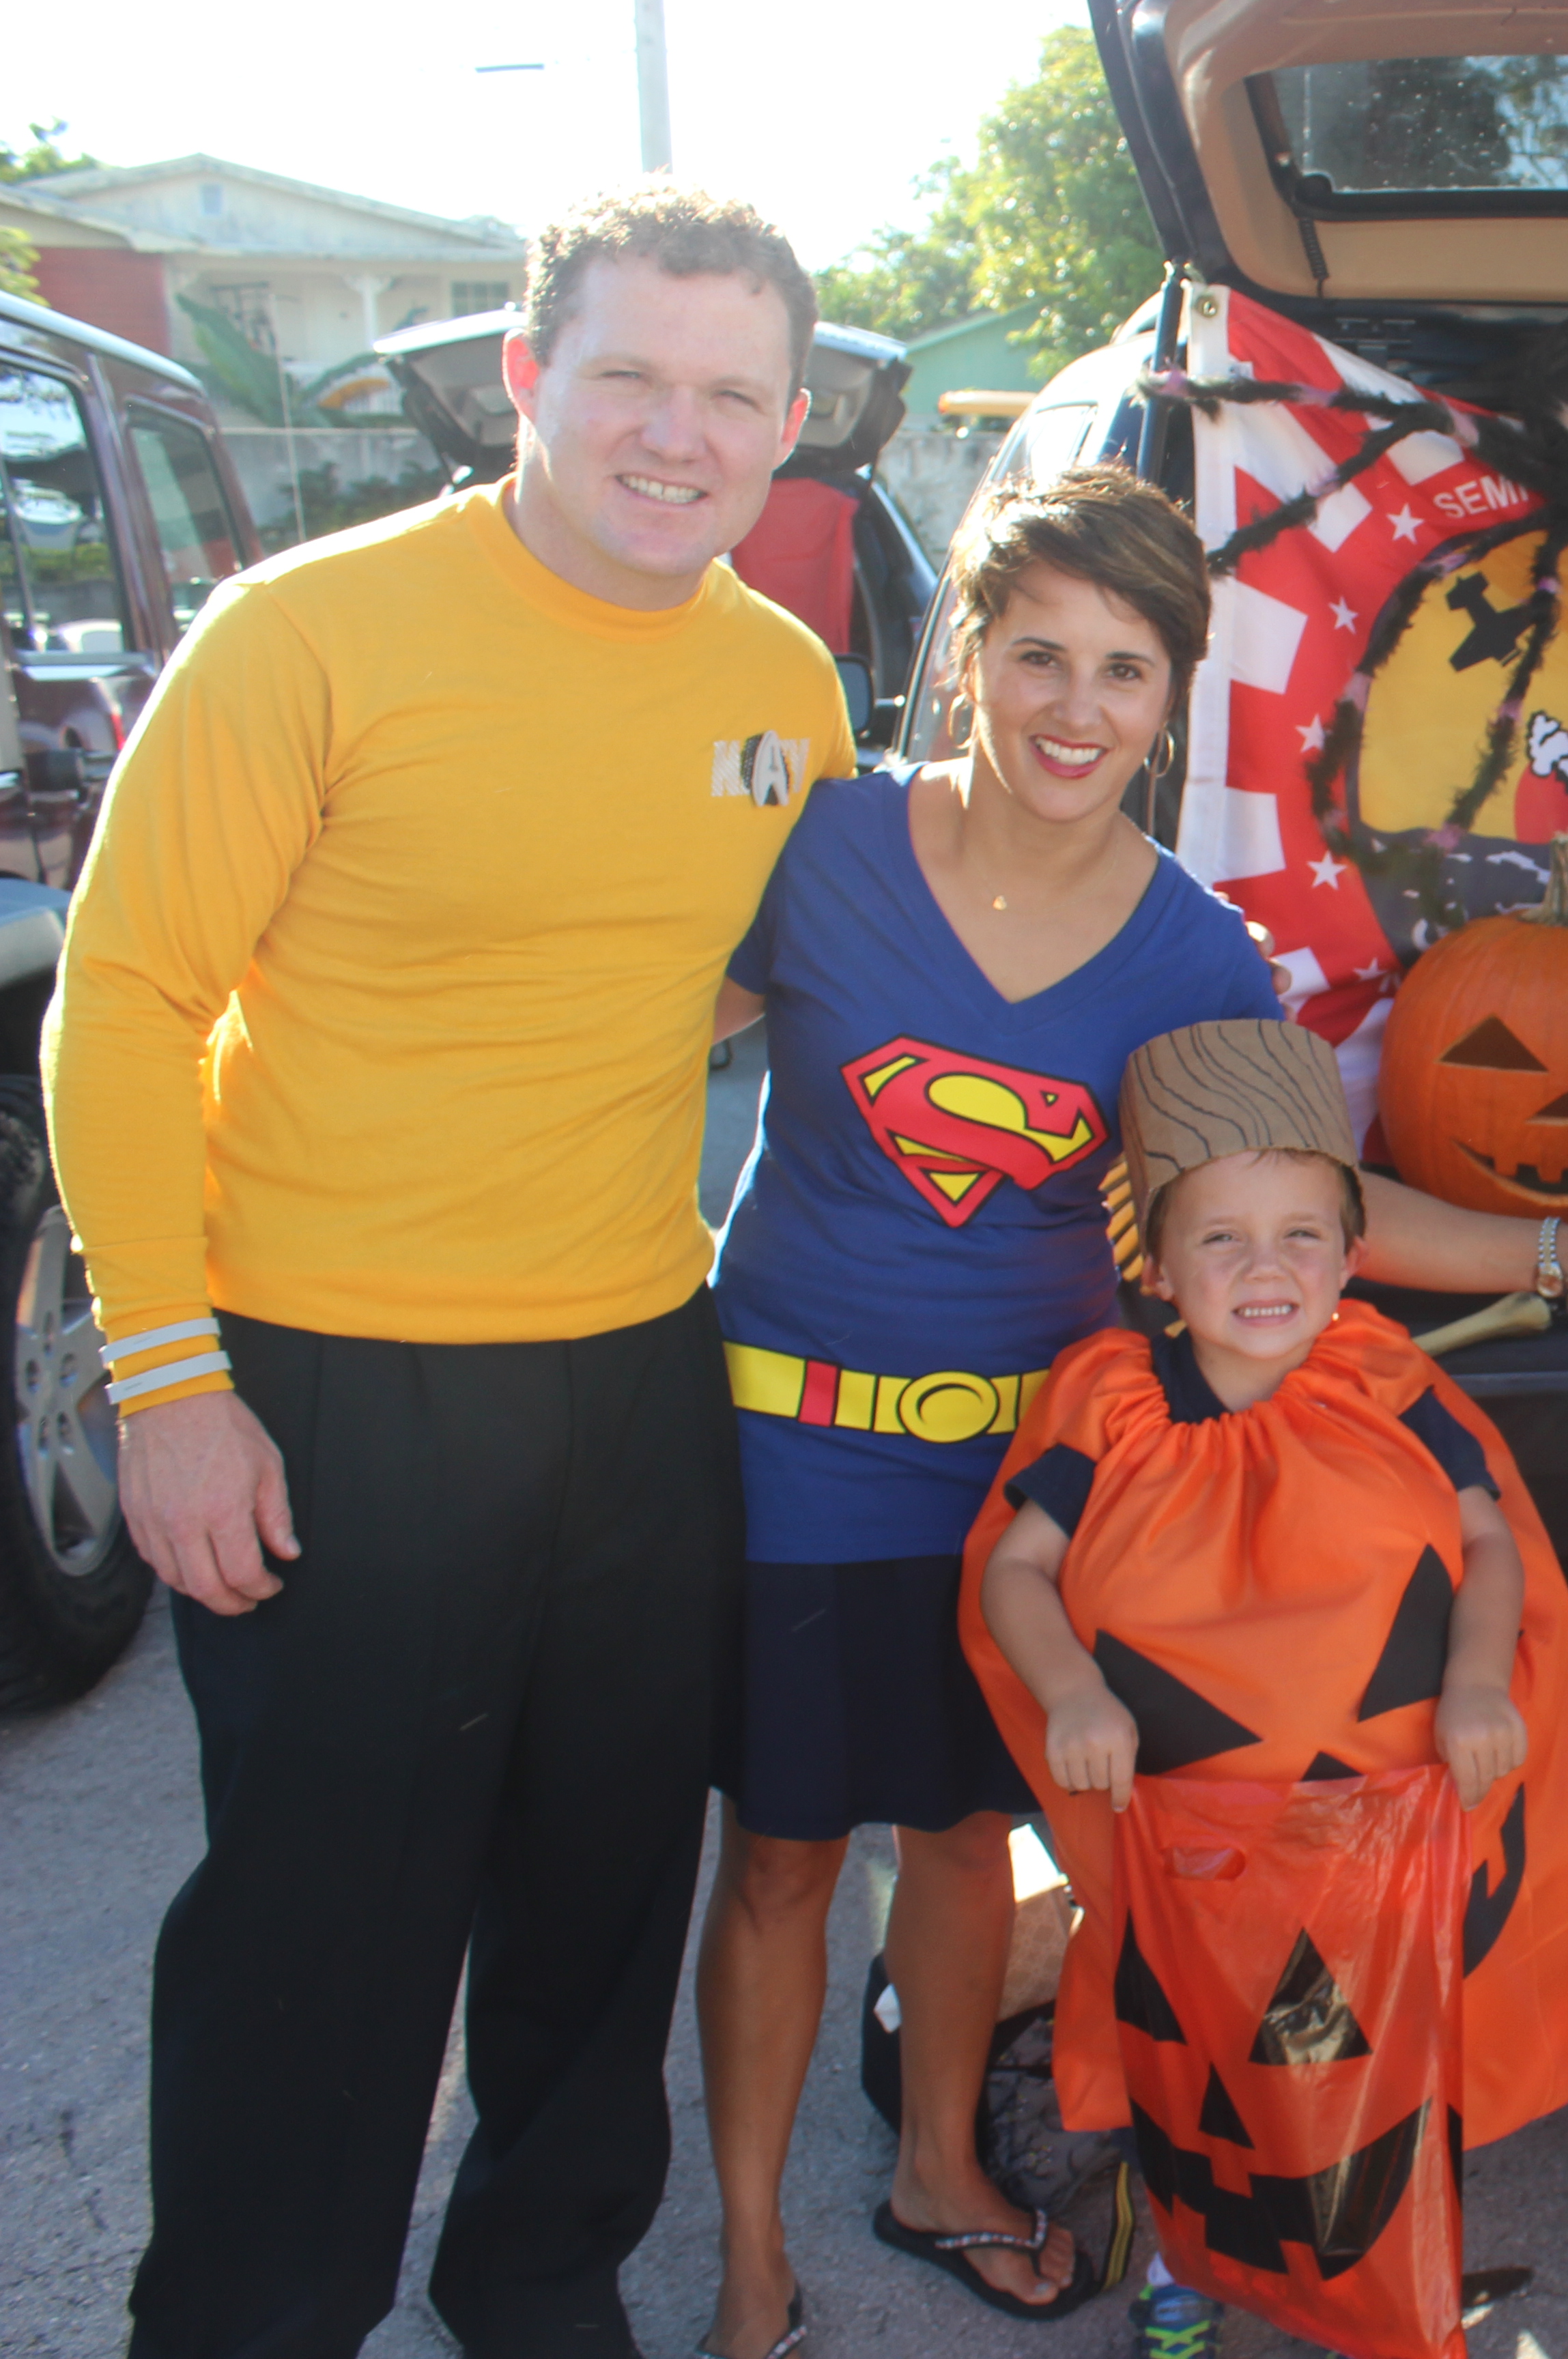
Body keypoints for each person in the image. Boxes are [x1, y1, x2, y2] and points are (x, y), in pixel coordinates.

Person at [690, 467, 1568, 2352]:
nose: (1074, 706)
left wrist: (1562, 1247)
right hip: (788, 1446)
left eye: (1125, 668)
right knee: (782, 1853)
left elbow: (1313, 1206)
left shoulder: (1196, 953)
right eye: (1037, 652)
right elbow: (613, 1037)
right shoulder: (821, 848)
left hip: (1022, 1482)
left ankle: (938, 2167)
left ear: (1170, 696)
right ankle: (743, 2249)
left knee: (961, 1839)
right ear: (967, 653)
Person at [41, 185, 849, 2357]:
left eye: (729, 396)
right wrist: (167, 1381)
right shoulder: (307, 634)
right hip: (332, 1380)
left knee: (598, 1899)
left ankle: (539, 2276)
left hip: (637, 1366)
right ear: (525, 378)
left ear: (787, 427)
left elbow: (747, 983)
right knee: (323, 1926)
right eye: (629, 378)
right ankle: (244, 2317)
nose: (676, 436)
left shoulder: (784, 686)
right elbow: (119, 1001)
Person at [963, 1018, 1568, 2358]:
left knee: (1382, 2058)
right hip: (1194, 1845)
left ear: (1353, 1258)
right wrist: (1069, 1691)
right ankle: (1194, 2265)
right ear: (1158, 1266)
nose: (1266, 1268)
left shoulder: (1384, 1381)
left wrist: (1476, 1681)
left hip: (1386, 1832)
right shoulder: (1107, 1404)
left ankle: (1405, 2259)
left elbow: (1482, 1538)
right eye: (1220, 1238)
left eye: (1302, 1234)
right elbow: (1016, 1570)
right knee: (1205, 2067)